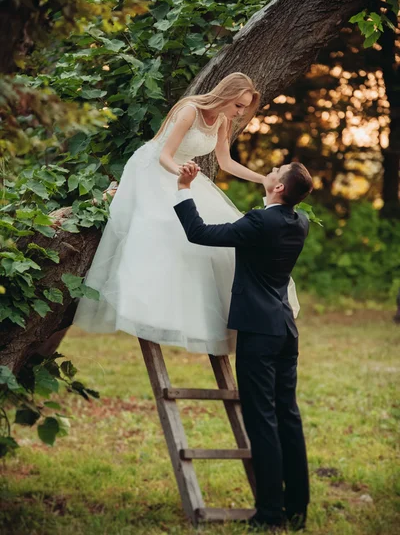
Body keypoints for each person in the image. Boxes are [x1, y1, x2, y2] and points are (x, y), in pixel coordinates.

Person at [73, 72, 300, 355]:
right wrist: (182, 175)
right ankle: (147, 306)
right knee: (165, 227)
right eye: (238, 105)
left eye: (243, 107)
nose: (240, 112)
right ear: (226, 94)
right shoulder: (189, 110)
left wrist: (262, 179)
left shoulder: (222, 121)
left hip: (184, 174)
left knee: (219, 227)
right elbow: (164, 155)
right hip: (155, 169)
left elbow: (225, 162)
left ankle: (198, 312)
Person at [174, 160, 313, 531]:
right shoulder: (299, 222)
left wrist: (185, 188)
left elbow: (199, 232)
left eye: (277, 169)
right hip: (285, 328)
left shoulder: (259, 221)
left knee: (262, 420)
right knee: (288, 416)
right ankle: (297, 509)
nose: (271, 169)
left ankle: (270, 513)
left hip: (258, 332)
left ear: (280, 188)